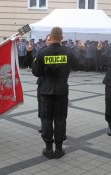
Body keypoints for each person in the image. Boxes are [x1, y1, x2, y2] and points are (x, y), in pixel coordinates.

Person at [32, 27, 77, 159]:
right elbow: (78, 65)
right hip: (62, 91)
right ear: (61, 37)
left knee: (46, 119)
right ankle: (59, 149)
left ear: (50, 37)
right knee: (60, 119)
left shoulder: (42, 52)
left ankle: (48, 148)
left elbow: (36, 72)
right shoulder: (68, 52)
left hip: (46, 90)